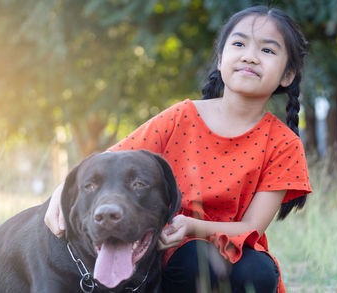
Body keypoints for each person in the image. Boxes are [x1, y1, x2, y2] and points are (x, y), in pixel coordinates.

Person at [45, 5, 311, 293]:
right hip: (167, 246)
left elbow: (253, 227)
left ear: (287, 75)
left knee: (260, 271)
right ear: (221, 60)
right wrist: (63, 190)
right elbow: (111, 159)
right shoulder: (181, 116)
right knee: (191, 262)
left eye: (268, 51)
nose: (249, 55)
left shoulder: (284, 143)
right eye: (239, 44)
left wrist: (195, 228)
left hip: (230, 250)